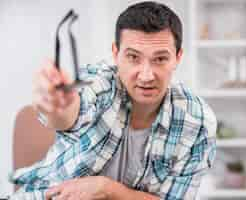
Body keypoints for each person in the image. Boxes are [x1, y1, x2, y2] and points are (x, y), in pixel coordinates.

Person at [10, 1, 217, 199]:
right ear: (115, 54)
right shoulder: (99, 84)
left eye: (160, 59)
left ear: (178, 57)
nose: (146, 75)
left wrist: (106, 189)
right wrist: (56, 106)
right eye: (133, 57)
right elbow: (73, 109)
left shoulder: (198, 122)